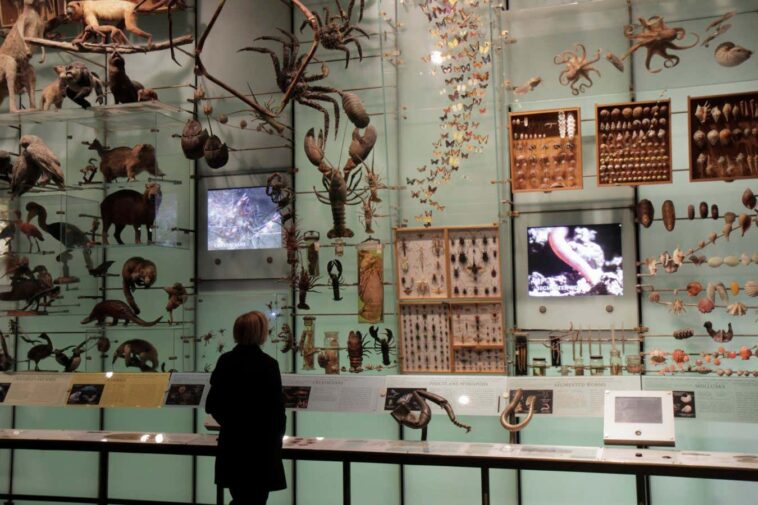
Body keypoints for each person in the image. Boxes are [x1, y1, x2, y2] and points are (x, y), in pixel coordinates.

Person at [205, 310, 286, 504]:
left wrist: (232, 425)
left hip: (233, 445)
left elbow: (212, 404)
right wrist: (275, 439)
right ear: (260, 333)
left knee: (240, 497)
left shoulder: (225, 361)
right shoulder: (268, 365)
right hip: (261, 449)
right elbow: (276, 412)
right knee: (255, 499)